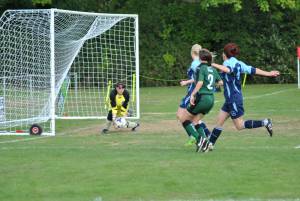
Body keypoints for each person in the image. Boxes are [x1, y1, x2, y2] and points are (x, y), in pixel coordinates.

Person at [201, 43, 280, 151]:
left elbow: (228, 70)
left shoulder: (228, 63)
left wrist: (212, 64)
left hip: (234, 99)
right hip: (231, 99)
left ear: (225, 54)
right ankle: (210, 145)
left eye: (223, 53)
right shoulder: (239, 63)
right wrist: (269, 73)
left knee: (239, 125)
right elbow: (253, 70)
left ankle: (265, 122)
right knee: (219, 121)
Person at [180, 49, 223, 152]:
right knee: (195, 121)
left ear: (200, 58)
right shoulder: (212, 69)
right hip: (211, 100)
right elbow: (221, 82)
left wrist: (193, 94)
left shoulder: (200, 68)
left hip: (202, 98)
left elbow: (199, 83)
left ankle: (200, 140)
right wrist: (212, 86)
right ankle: (206, 144)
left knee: (184, 119)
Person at [177, 44, 211, 146]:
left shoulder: (195, 63)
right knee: (191, 117)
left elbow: (199, 77)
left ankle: (198, 138)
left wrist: (187, 82)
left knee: (182, 116)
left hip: (193, 93)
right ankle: (201, 137)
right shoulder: (199, 62)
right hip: (193, 92)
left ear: (192, 52)